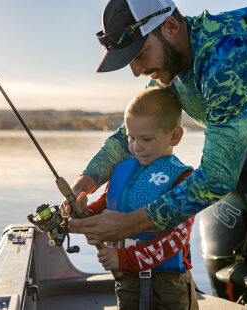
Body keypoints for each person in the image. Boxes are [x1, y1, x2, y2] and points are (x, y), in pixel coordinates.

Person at [66, 0, 247, 309]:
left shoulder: (229, 54)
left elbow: (217, 177)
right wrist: (82, 185)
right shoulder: (172, 71)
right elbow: (126, 136)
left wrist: (128, 224)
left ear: (170, 27)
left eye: (141, 54)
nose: (136, 70)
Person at [64, 87, 199, 310]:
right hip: (127, 280)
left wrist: (125, 259)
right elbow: (107, 202)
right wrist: (84, 213)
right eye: (131, 138)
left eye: (146, 139)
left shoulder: (182, 178)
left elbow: (177, 239)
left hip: (169, 285)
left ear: (174, 136)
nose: (136, 147)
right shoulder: (122, 170)